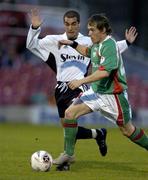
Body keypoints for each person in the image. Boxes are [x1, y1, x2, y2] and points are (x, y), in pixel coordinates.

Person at [26, 9, 137, 165]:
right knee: (68, 127)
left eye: (73, 24)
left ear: (79, 24)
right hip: (61, 88)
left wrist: (127, 43)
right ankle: (97, 134)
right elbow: (31, 45)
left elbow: (111, 49)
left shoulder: (90, 40)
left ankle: (66, 161)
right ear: (64, 25)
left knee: (71, 116)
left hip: (81, 86)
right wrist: (35, 28)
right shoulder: (55, 40)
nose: (70, 27)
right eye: (67, 24)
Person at [56, 14, 148, 169]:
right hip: (97, 92)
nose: (89, 33)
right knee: (69, 114)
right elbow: (86, 51)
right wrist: (71, 43)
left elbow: (105, 72)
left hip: (114, 96)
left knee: (127, 130)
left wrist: (81, 81)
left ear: (103, 30)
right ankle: (68, 155)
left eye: (92, 30)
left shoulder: (109, 45)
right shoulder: (97, 44)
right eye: (88, 30)